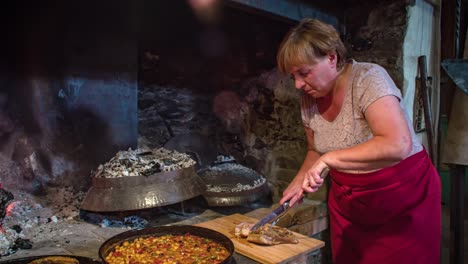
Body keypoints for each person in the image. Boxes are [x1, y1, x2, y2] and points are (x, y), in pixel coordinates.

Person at [277, 18, 441, 264]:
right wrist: (298, 182)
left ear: (331, 58)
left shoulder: (368, 78)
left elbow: (397, 144)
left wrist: (330, 159)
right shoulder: (309, 99)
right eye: (294, 77)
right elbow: (315, 149)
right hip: (350, 205)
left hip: (401, 198)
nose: (299, 84)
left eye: (304, 73)